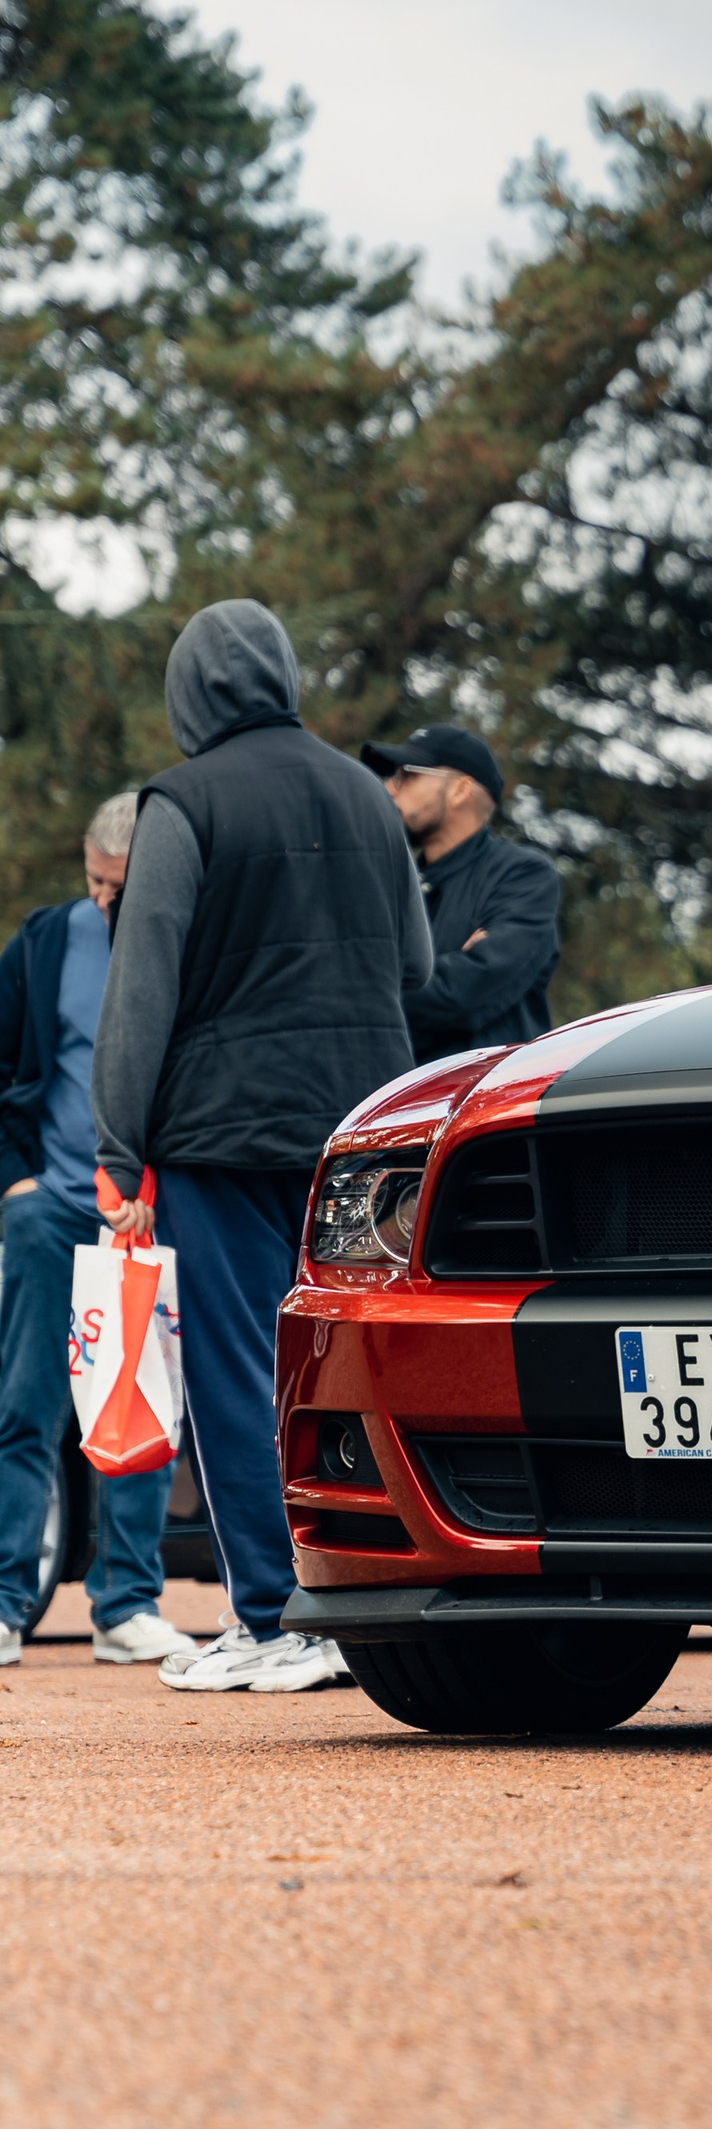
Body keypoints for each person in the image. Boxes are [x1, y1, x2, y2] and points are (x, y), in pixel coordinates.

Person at [94, 601, 430, 1693]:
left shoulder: (182, 801)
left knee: (241, 1372)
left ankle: (274, 1619)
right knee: (350, 1361)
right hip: (359, 1125)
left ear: (189, 693)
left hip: (222, 1129)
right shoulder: (364, 797)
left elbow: (141, 986)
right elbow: (418, 967)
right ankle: (361, 1604)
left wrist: (117, 1135)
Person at [0, 796, 186, 1670]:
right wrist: (14, 1182)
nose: (107, 902)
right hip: (53, 1206)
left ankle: (127, 1605)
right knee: (23, 1408)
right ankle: (5, 1604)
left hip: (147, 1211)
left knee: (140, 1404)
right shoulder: (44, 943)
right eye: (96, 883)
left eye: (122, 887)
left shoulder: (188, 945)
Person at [360, 721, 560, 1059]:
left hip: (486, 1103)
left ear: (459, 790)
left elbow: (461, 995)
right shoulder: (386, 882)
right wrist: (447, 964)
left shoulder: (522, 876)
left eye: (406, 775)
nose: (389, 789)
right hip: (395, 1104)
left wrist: (371, 988)